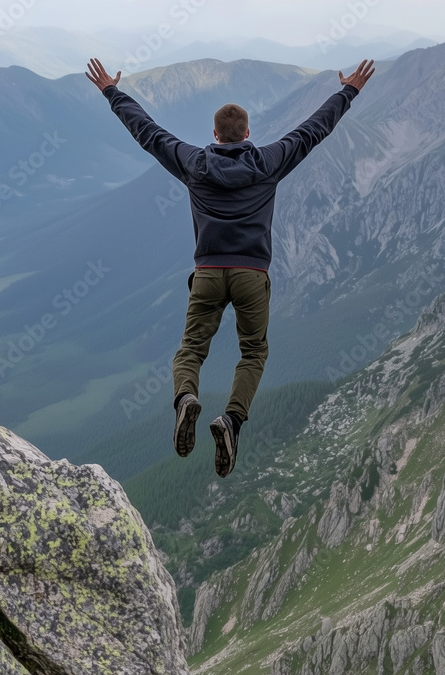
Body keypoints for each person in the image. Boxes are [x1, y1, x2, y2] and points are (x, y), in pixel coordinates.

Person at [86, 56, 375, 477]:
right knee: (253, 351)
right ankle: (232, 421)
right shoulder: (269, 161)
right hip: (251, 276)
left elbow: (147, 132)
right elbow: (314, 131)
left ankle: (186, 398)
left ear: (216, 135)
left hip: (207, 273)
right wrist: (348, 91)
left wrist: (112, 92)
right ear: (248, 134)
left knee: (190, 351)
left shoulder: (194, 162)